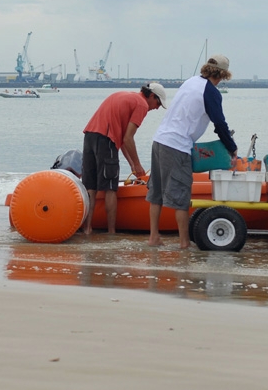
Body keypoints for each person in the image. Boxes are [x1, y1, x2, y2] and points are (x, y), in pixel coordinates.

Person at [147, 55, 238, 249]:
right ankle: (184, 243)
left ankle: (154, 237)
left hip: (159, 140)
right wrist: (232, 147)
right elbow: (220, 124)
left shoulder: (191, 82)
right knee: (181, 196)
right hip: (177, 146)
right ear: (222, 75)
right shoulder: (211, 92)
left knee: (156, 193)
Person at [81, 82, 168, 234]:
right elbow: (128, 138)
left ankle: (87, 228)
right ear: (152, 96)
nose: (157, 107)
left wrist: (132, 165)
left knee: (90, 186)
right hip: (105, 139)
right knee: (110, 188)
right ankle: (112, 232)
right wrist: (138, 165)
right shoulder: (141, 105)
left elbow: (120, 140)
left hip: (90, 136)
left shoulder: (125, 96)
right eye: (158, 103)